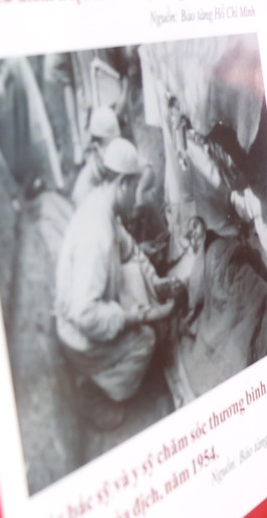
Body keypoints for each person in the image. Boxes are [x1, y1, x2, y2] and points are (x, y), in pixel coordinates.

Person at [54, 138, 176, 425]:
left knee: (133, 272)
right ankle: (97, 391)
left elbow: (131, 251)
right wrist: (141, 316)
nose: (137, 198)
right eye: (135, 188)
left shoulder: (102, 205)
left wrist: (157, 282)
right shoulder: (97, 234)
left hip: (86, 312)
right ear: (123, 183)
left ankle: (103, 372)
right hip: (78, 335)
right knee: (145, 341)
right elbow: (84, 314)